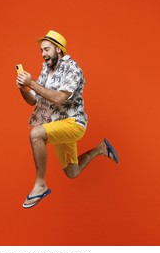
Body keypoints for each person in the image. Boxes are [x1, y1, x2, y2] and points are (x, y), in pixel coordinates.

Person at [16, 30, 119, 209]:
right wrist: (23, 88)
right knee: (72, 172)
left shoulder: (73, 69)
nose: (43, 54)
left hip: (73, 124)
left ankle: (40, 185)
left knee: (36, 135)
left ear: (59, 49)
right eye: (41, 50)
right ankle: (101, 149)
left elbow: (59, 98)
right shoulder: (46, 70)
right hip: (57, 125)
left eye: (47, 49)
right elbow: (33, 100)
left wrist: (32, 83)